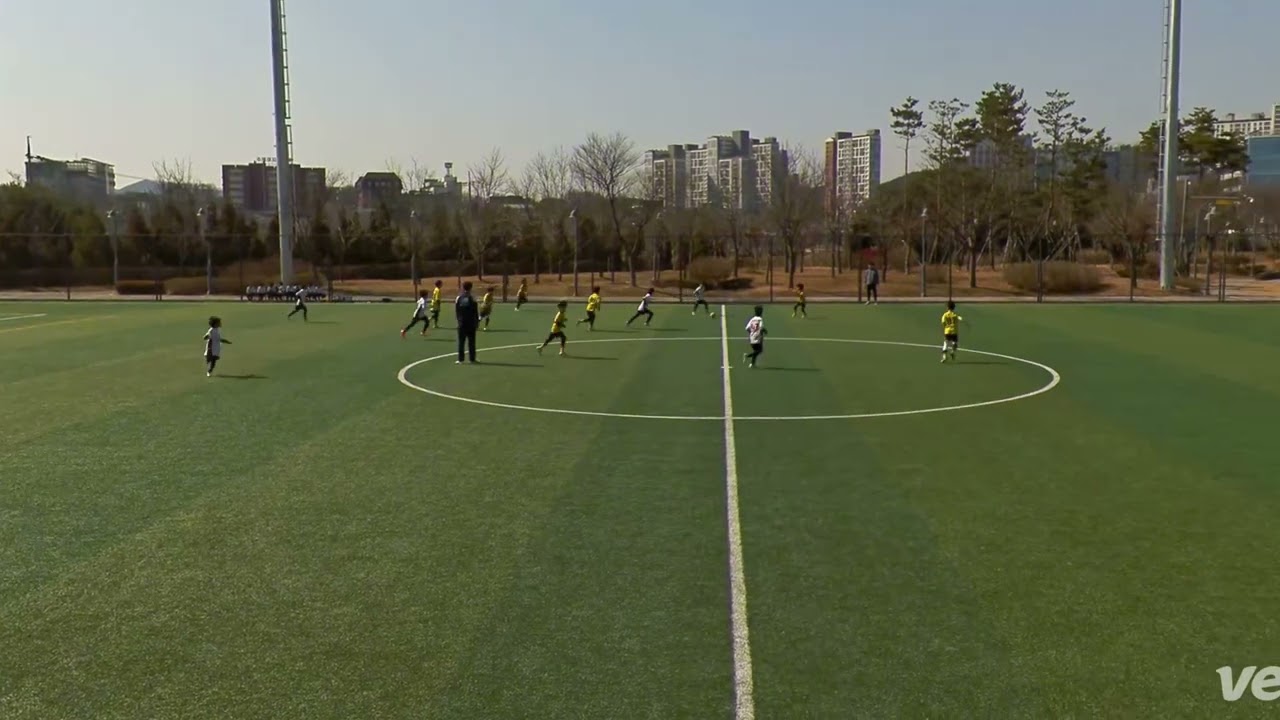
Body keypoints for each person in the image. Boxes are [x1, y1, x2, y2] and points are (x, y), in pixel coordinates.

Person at [455, 281, 481, 364]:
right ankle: (472, 359)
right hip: (471, 323)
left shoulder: (459, 298)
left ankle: (460, 359)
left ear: (463, 287)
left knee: (461, 342)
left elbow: (457, 311)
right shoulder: (472, 298)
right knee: (472, 342)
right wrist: (476, 322)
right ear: (471, 287)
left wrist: (459, 320)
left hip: (461, 323)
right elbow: (475, 311)